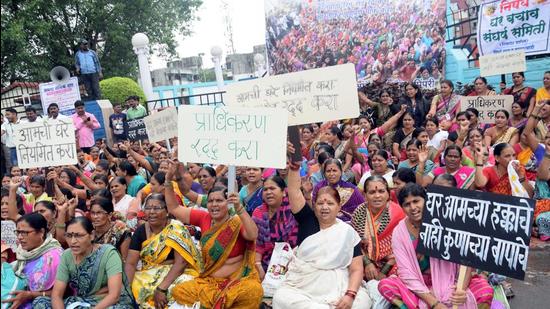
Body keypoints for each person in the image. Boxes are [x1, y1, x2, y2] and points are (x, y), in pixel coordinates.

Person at [271, 150, 371, 308]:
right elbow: (294, 191)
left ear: (339, 208)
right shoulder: (307, 220)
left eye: (330, 203)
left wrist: (350, 295)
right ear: (314, 206)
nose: (325, 207)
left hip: (339, 285)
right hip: (303, 286)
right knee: (281, 298)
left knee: (361, 302)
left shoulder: (347, 232)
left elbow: (356, 269)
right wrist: (295, 169)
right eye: (320, 203)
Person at [378, 183, 494, 309]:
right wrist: (434, 303)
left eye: (416, 201)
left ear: (427, 200)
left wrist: (461, 290)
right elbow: (406, 274)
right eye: (407, 204)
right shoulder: (399, 232)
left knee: (485, 291)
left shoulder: (446, 221)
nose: (413, 207)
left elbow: (466, 260)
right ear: (402, 207)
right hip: (419, 287)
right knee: (385, 286)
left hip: (452, 282)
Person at [166, 162, 263, 308]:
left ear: (228, 203)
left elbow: (253, 234)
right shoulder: (204, 218)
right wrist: (168, 181)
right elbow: (174, 208)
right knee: (179, 291)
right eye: (210, 201)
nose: (214, 204)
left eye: (219, 201)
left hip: (237, 282)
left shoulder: (236, 221)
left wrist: (239, 208)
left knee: (253, 292)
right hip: (209, 282)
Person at [125, 194, 202, 309]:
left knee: (182, 290)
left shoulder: (176, 228)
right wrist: (125, 290)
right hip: (148, 274)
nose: (151, 212)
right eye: (148, 208)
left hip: (176, 274)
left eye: (156, 208)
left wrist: (161, 288)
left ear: (167, 211)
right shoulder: (141, 231)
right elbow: (131, 264)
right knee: (133, 289)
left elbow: (180, 263)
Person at [47, 217, 135, 308]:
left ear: (92, 235)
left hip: (107, 303)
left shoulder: (108, 254)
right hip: (82, 301)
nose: (73, 241)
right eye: (69, 236)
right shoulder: (66, 255)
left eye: (79, 235)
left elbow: (114, 296)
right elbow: (57, 295)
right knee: (41, 302)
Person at [1, 213, 63, 309]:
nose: (20, 237)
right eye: (18, 232)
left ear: (41, 232)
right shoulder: (22, 252)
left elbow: (63, 292)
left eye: (24, 233)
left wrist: (30, 295)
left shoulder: (55, 257)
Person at [352, 175, 405, 282]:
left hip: (393, 262)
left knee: (400, 276)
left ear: (388, 194)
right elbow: (354, 242)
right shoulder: (359, 212)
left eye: (381, 191)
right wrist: (367, 264)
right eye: (372, 192)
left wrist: (383, 272)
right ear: (365, 195)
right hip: (364, 260)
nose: (377, 196)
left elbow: (403, 247)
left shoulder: (398, 213)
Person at [251, 175, 298, 278]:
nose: (268, 192)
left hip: (292, 261)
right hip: (264, 262)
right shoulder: (258, 212)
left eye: (272, 188)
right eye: (265, 189)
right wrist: (258, 266)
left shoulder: (293, 211)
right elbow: (257, 245)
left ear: (284, 192)